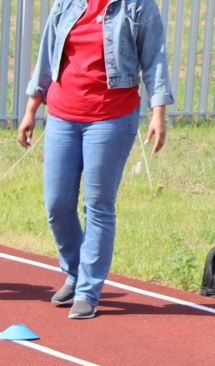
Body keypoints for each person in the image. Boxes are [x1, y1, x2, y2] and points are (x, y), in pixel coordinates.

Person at [17, 0, 174, 320]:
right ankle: (75, 272)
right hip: (62, 115)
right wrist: (32, 108)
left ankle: (88, 289)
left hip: (111, 117)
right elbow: (47, 52)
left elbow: (155, 58)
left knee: (98, 204)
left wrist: (159, 111)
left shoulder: (138, 7)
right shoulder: (67, 4)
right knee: (57, 204)